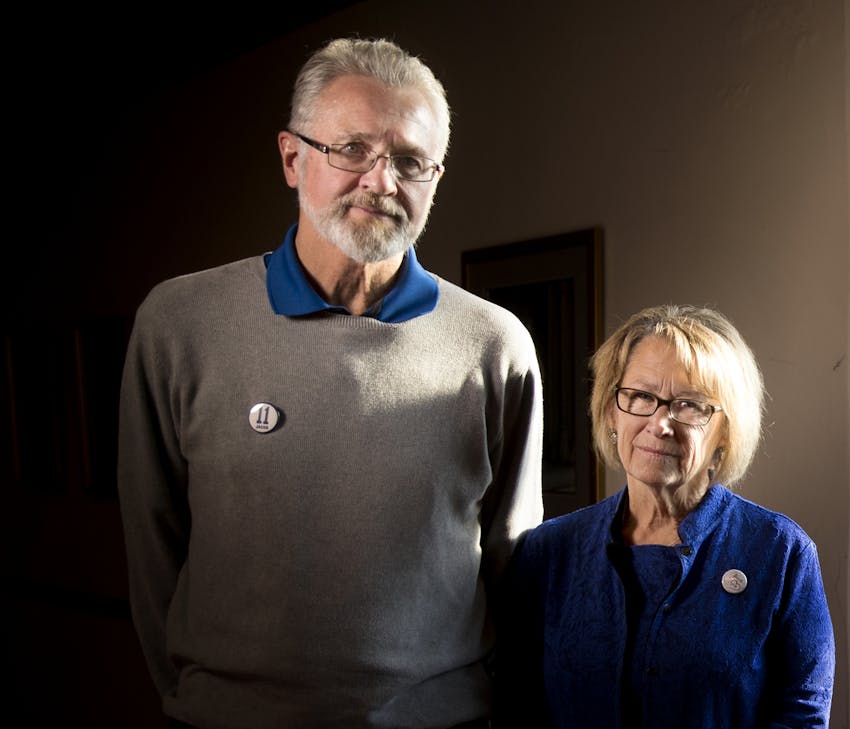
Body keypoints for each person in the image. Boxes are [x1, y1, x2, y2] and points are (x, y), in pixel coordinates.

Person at [117, 38, 543, 729]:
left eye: (410, 161)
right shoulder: (179, 323)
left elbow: (514, 562)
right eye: (352, 149)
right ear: (292, 158)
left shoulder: (494, 344)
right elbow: (151, 547)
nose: (382, 181)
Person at [498, 304, 835, 728]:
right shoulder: (548, 552)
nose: (660, 423)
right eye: (641, 397)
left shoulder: (781, 553)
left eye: (690, 405)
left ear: (725, 432)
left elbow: (801, 716)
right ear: (610, 412)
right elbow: (517, 704)